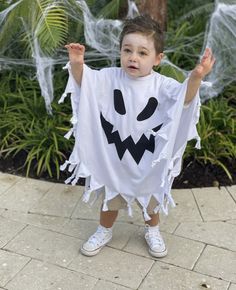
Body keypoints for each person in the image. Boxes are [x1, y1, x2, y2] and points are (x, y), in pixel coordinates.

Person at [62, 15, 215, 258]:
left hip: (147, 158)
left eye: (143, 53)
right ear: (120, 52)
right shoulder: (110, 77)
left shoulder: (163, 86)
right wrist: (78, 63)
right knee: (110, 196)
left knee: (151, 196)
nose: (133, 57)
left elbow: (184, 99)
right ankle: (104, 229)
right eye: (127, 50)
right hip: (115, 157)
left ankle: (152, 230)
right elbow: (86, 85)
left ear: (157, 59)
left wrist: (196, 76)